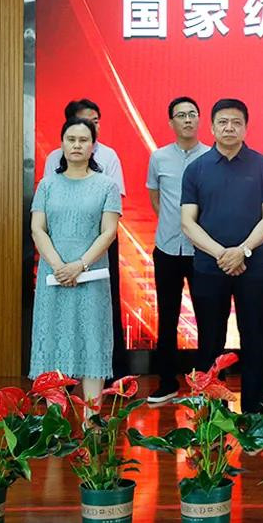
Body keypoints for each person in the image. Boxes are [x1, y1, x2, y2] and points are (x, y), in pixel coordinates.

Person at [180, 99, 263, 413]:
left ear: (246, 127)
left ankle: (253, 412)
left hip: (255, 267)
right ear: (211, 127)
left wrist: (243, 251)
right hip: (210, 267)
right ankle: (213, 412)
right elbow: (187, 222)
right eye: (223, 122)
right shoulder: (196, 168)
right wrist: (222, 254)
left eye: (236, 122)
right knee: (210, 340)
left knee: (255, 339)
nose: (229, 128)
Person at [30, 117, 122, 406]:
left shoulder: (106, 185)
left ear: (93, 146)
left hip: (90, 276)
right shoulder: (47, 185)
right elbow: (37, 229)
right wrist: (60, 267)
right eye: (71, 139)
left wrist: (79, 265)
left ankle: (91, 422)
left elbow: (108, 232)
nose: (77, 145)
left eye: (84, 140)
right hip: (53, 277)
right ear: (62, 144)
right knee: (53, 343)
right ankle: (54, 422)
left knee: (91, 341)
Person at [44, 99, 128, 378]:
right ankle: (60, 385)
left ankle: (110, 376)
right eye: (85, 120)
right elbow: (45, 212)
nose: (92, 126)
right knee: (59, 316)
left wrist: (82, 262)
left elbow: (113, 209)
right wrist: (60, 264)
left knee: (100, 312)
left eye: (95, 121)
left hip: (98, 242)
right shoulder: (52, 161)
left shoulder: (109, 157)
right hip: (59, 246)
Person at [145, 96, 209, 404]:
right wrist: (173, 224)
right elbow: (155, 197)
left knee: (208, 318)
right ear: (171, 122)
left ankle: (207, 384)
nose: (187, 120)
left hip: (203, 251)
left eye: (192, 114)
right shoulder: (158, 157)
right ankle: (167, 382)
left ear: (200, 119)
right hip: (167, 249)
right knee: (167, 317)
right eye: (181, 115)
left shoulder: (211, 157)